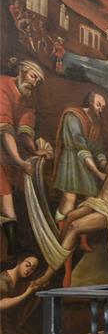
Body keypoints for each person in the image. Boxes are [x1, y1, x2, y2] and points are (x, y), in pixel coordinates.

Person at [43, 146, 108, 287]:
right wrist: (86, 155)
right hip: (97, 202)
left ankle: (49, 272)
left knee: (74, 226)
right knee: (70, 216)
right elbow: (97, 172)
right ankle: (58, 251)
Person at [0, 59, 46, 221]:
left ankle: (11, 235)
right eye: (33, 77)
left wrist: (34, 150)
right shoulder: (3, 85)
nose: (34, 83)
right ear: (21, 71)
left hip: (6, 146)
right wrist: (20, 161)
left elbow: (25, 131)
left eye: (38, 81)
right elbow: (5, 129)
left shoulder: (28, 99)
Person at [53, 91, 108, 220]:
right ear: (90, 102)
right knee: (69, 198)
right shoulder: (73, 116)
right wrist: (98, 173)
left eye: (103, 107)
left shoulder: (96, 124)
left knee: (89, 201)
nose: (100, 110)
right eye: (98, 105)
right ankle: (61, 234)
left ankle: (80, 235)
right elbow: (80, 146)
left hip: (87, 163)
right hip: (71, 161)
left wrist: (105, 165)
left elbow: (98, 149)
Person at [0, 254, 45, 334]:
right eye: (27, 265)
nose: (29, 270)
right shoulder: (3, 280)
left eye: (32, 268)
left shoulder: (21, 281)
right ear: (19, 262)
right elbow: (1, 304)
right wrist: (27, 293)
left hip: (9, 322)